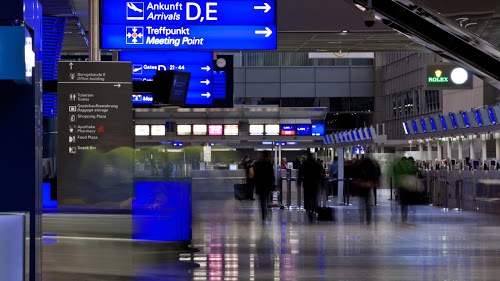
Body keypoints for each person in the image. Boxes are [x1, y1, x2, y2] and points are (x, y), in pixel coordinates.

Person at [298, 152, 323, 222]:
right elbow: (320, 173)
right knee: (314, 197)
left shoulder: (304, 164)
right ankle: (314, 208)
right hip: (315, 183)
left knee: (307, 196)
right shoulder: (316, 164)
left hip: (307, 183)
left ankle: (308, 209)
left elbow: (300, 173)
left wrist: (299, 182)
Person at [253, 151, 275, 222]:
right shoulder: (269, 164)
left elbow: (255, 176)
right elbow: (272, 175)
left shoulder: (257, 164)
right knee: (267, 198)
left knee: (262, 201)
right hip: (267, 185)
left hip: (260, 185)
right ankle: (267, 210)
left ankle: (263, 214)